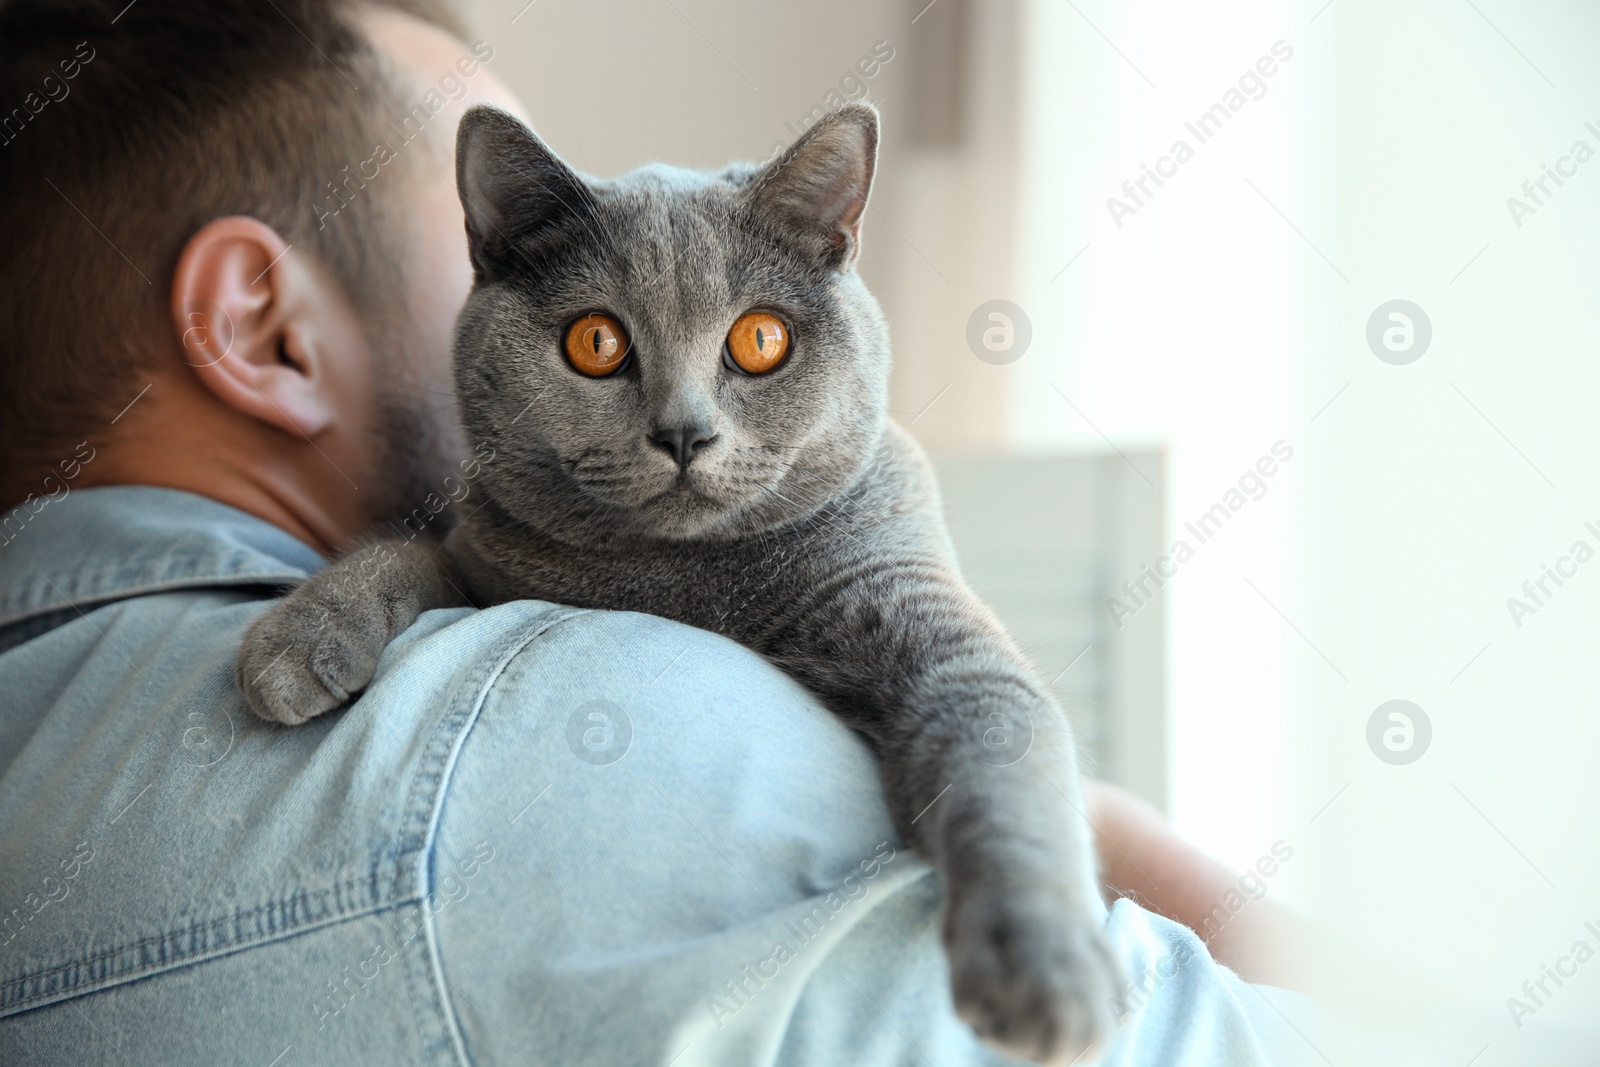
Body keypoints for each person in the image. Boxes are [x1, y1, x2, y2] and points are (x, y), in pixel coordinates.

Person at [0, 1, 1329, 1063]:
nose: (681, 421)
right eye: (587, 331)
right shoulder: (571, 762)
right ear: (263, 326)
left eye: (753, 340)